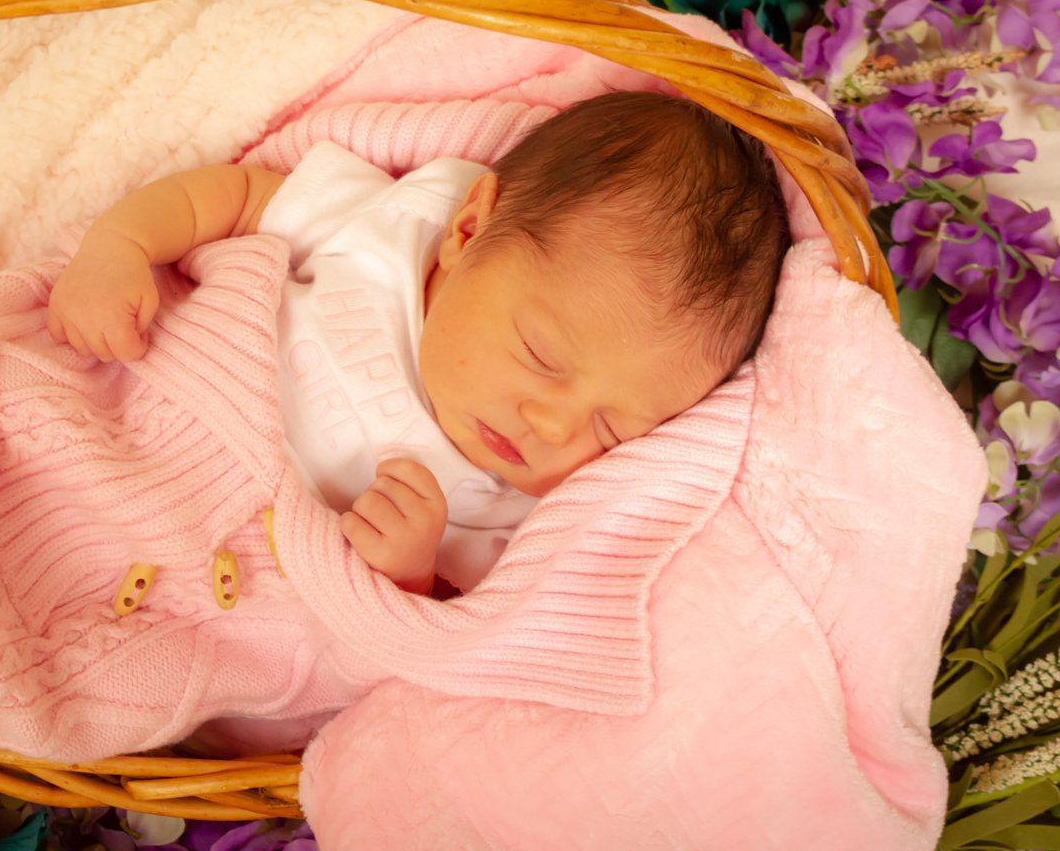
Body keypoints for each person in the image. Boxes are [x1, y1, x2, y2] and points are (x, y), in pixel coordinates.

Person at [47, 91, 791, 594]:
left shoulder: (516, 516)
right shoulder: (391, 231)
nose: (555, 428)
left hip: (208, 588)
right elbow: (238, 196)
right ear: (468, 230)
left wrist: (407, 574)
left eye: (612, 430)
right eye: (540, 354)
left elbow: (452, 631)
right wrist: (121, 245)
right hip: (126, 423)